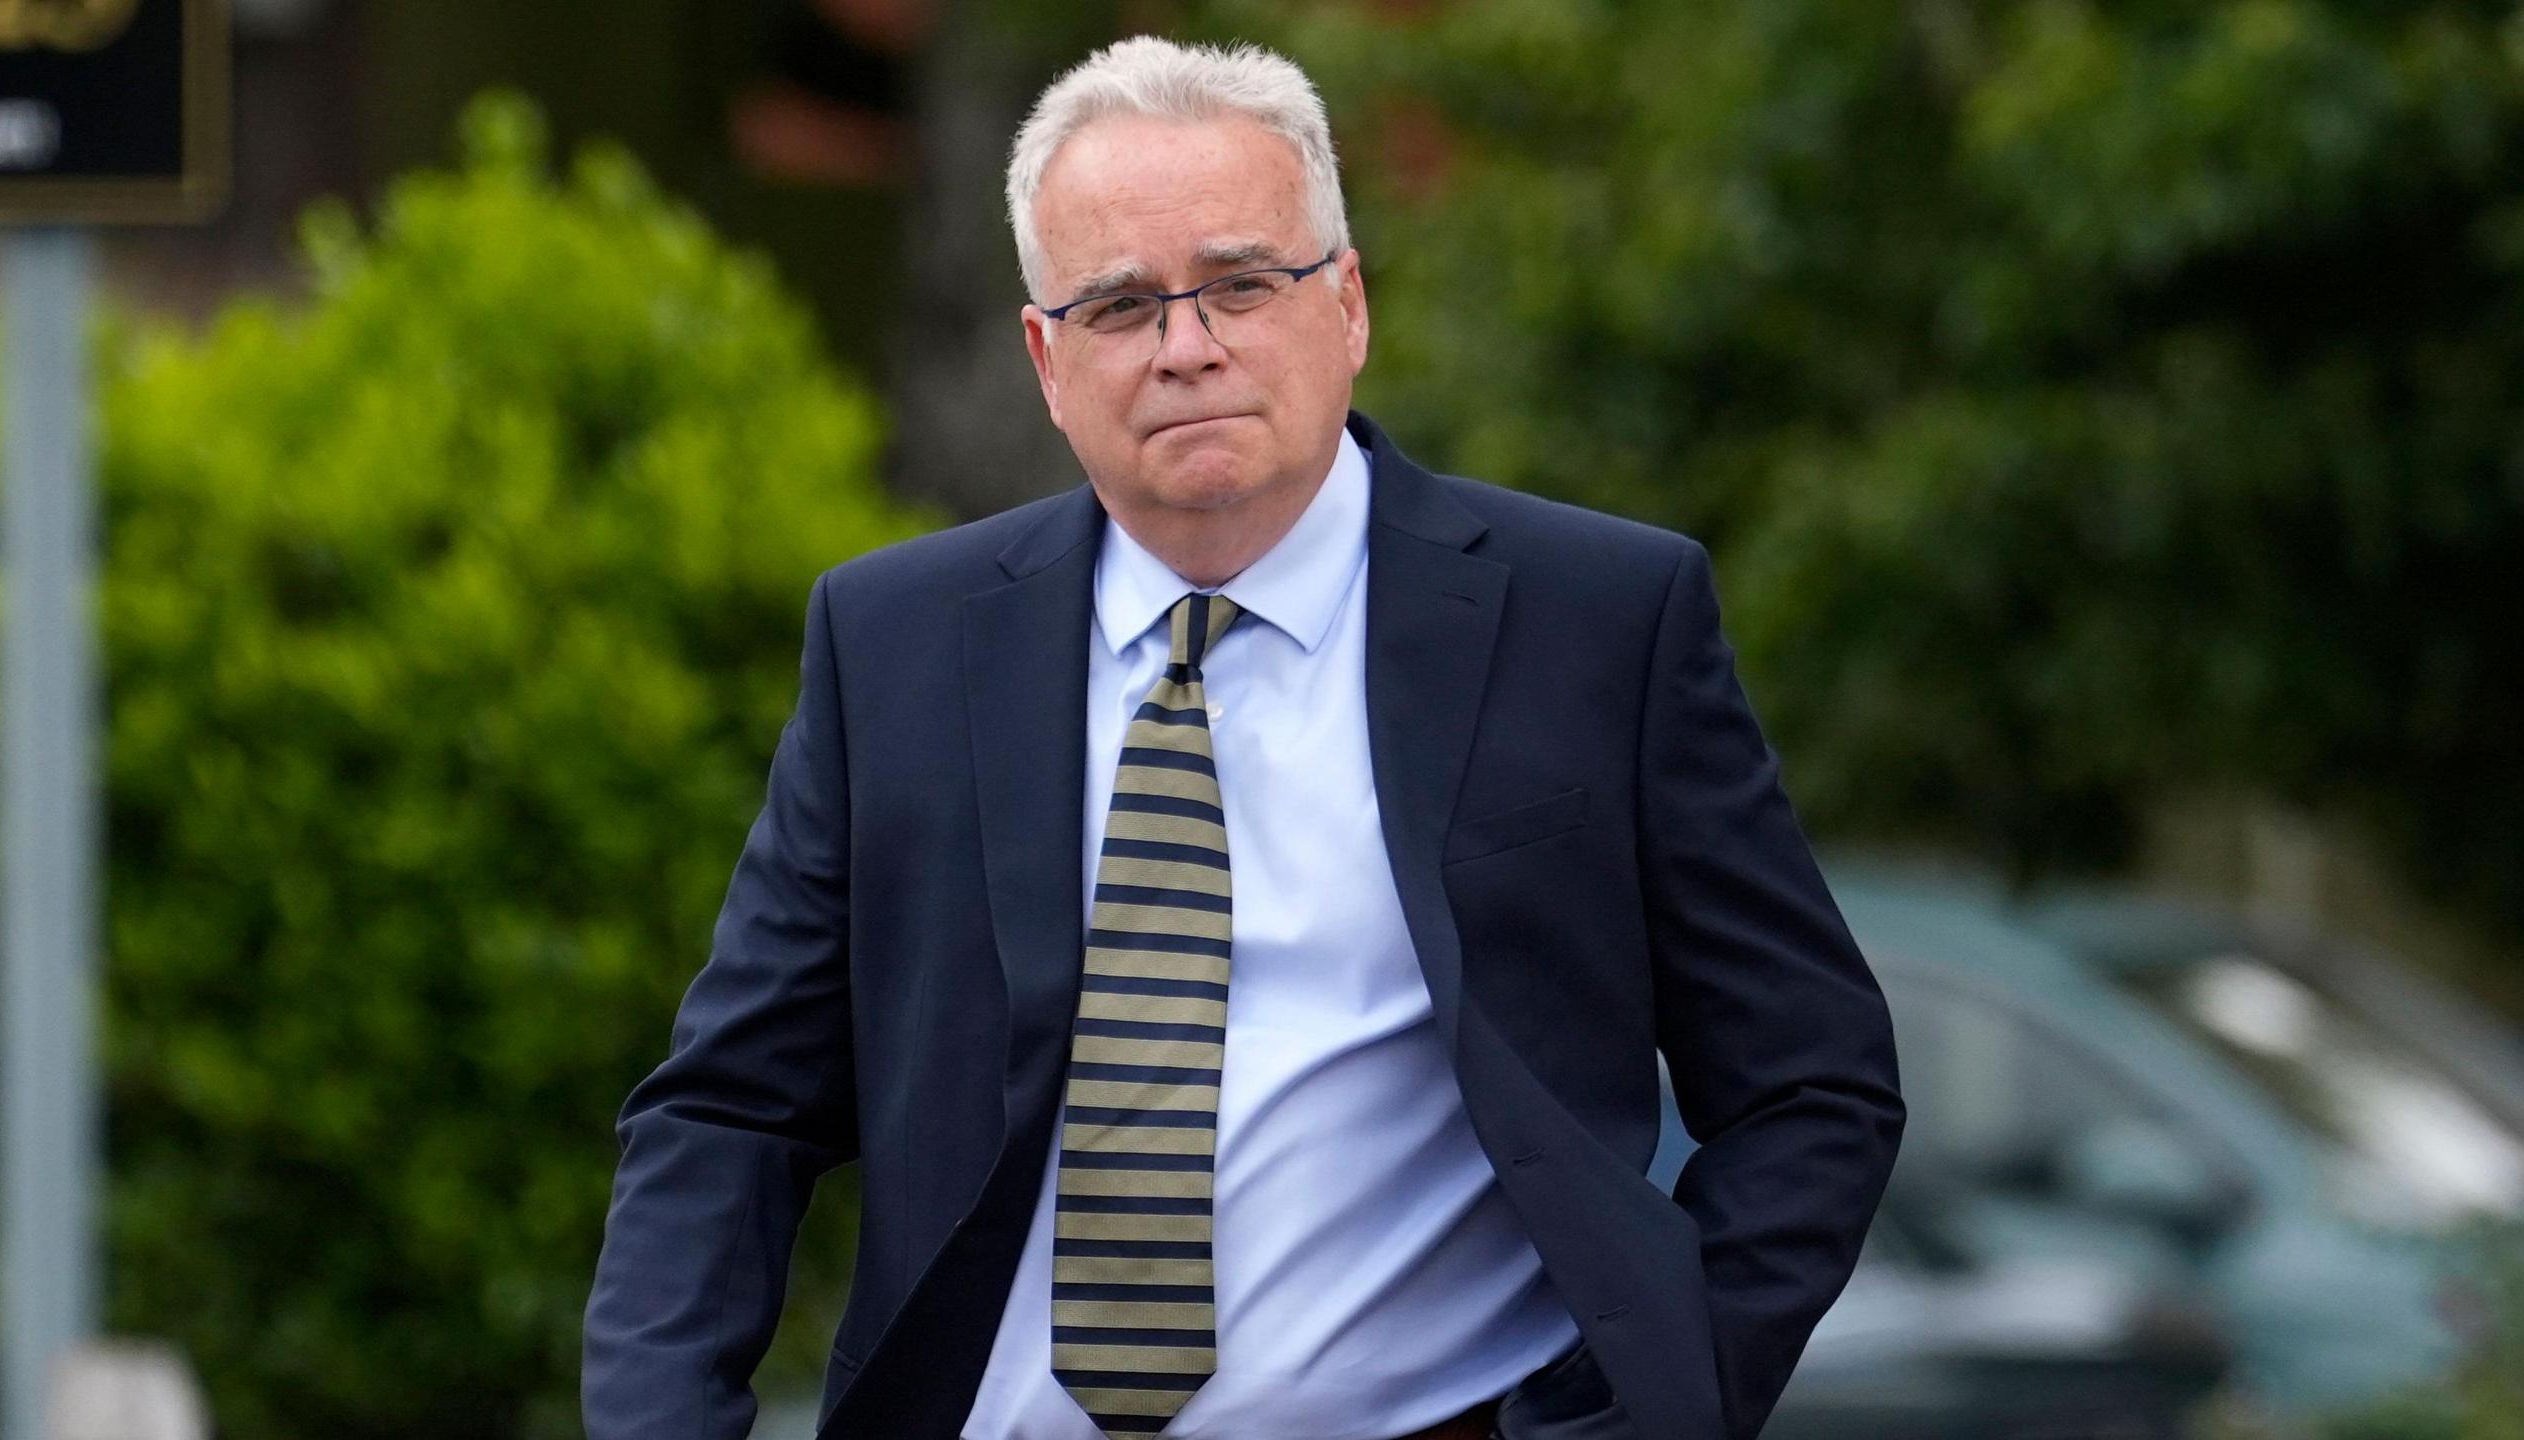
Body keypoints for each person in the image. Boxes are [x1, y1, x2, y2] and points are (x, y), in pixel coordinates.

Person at [583, 34, 1902, 1440]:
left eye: (1240, 283)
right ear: (1045, 356)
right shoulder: (898, 645)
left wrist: (1640, 1411)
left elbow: (1811, 1084)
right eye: (1118, 305)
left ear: (1347, 304)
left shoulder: (1595, 622)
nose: (1186, 346)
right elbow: (729, 1111)